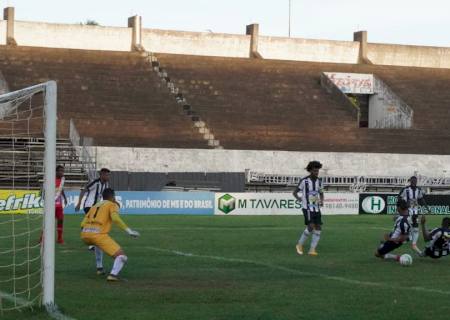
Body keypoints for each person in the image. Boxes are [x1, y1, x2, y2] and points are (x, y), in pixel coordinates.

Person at [80, 188, 140, 281]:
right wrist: (129, 231)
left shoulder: (95, 205)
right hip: (98, 235)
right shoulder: (112, 204)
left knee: (97, 245)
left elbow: (82, 223)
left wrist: (88, 233)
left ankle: (99, 268)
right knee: (122, 256)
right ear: (113, 197)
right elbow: (115, 218)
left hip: (85, 235)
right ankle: (113, 275)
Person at [293, 161, 324, 256]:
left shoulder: (319, 181)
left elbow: (321, 193)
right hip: (307, 208)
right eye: (315, 171)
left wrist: (322, 200)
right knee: (311, 226)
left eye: (317, 171)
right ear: (310, 170)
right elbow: (294, 192)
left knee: (318, 227)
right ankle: (299, 244)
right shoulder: (304, 181)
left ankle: (312, 250)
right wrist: (299, 199)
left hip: (316, 208)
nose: (316, 172)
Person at [398, 176, 427, 255]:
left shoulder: (419, 190)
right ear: (410, 181)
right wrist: (403, 205)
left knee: (415, 227)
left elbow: (421, 199)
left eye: (415, 181)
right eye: (412, 181)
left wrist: (426, 207)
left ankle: (413, 244)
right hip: (406, 212)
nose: (414, 182)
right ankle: (397, 240)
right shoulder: (405, 190)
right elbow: (399, 198)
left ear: (416, 181)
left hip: (415, 212)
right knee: (406, 227)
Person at [55, 165, 67, 244]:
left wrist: (65, 197)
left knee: (61, 220)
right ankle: (43, 237)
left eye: (63, 171)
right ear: (56, 171)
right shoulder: (51, 178)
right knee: (48, 222)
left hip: (59, 204)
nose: (62, 172)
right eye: (60, 171)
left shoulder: (62, 179)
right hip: (51, 204)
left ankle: (59, 238)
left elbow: (61, 189)